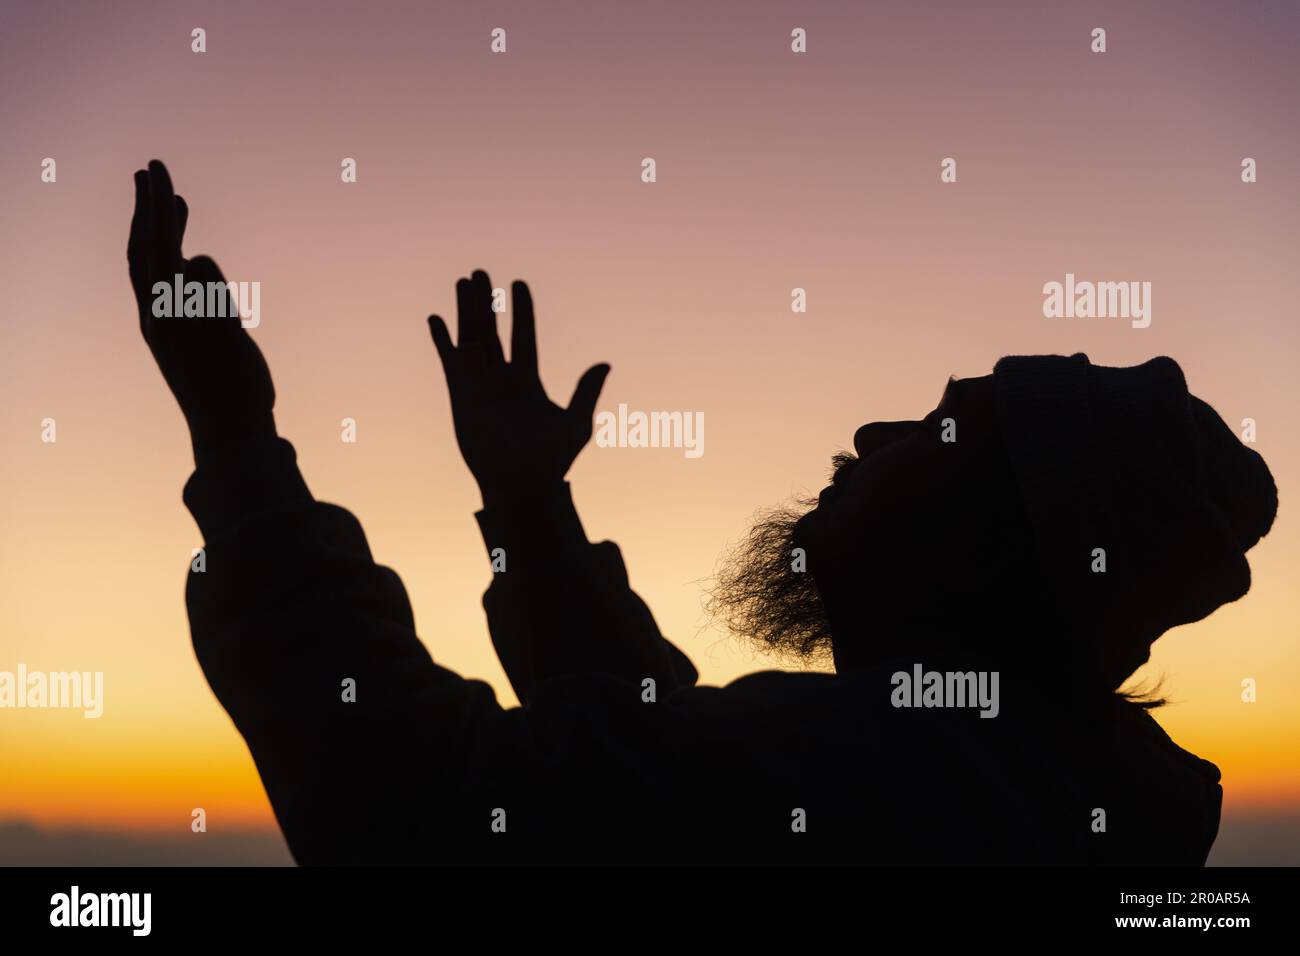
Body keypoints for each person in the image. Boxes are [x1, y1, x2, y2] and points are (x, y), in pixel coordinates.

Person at [128, 160, 1277, 865]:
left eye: (939, 431)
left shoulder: (907, 785)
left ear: (997, 545)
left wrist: (234, 437)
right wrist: (531, 514)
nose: (871, 437)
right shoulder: (998, 776)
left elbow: (416, 805)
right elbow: (668, 758)